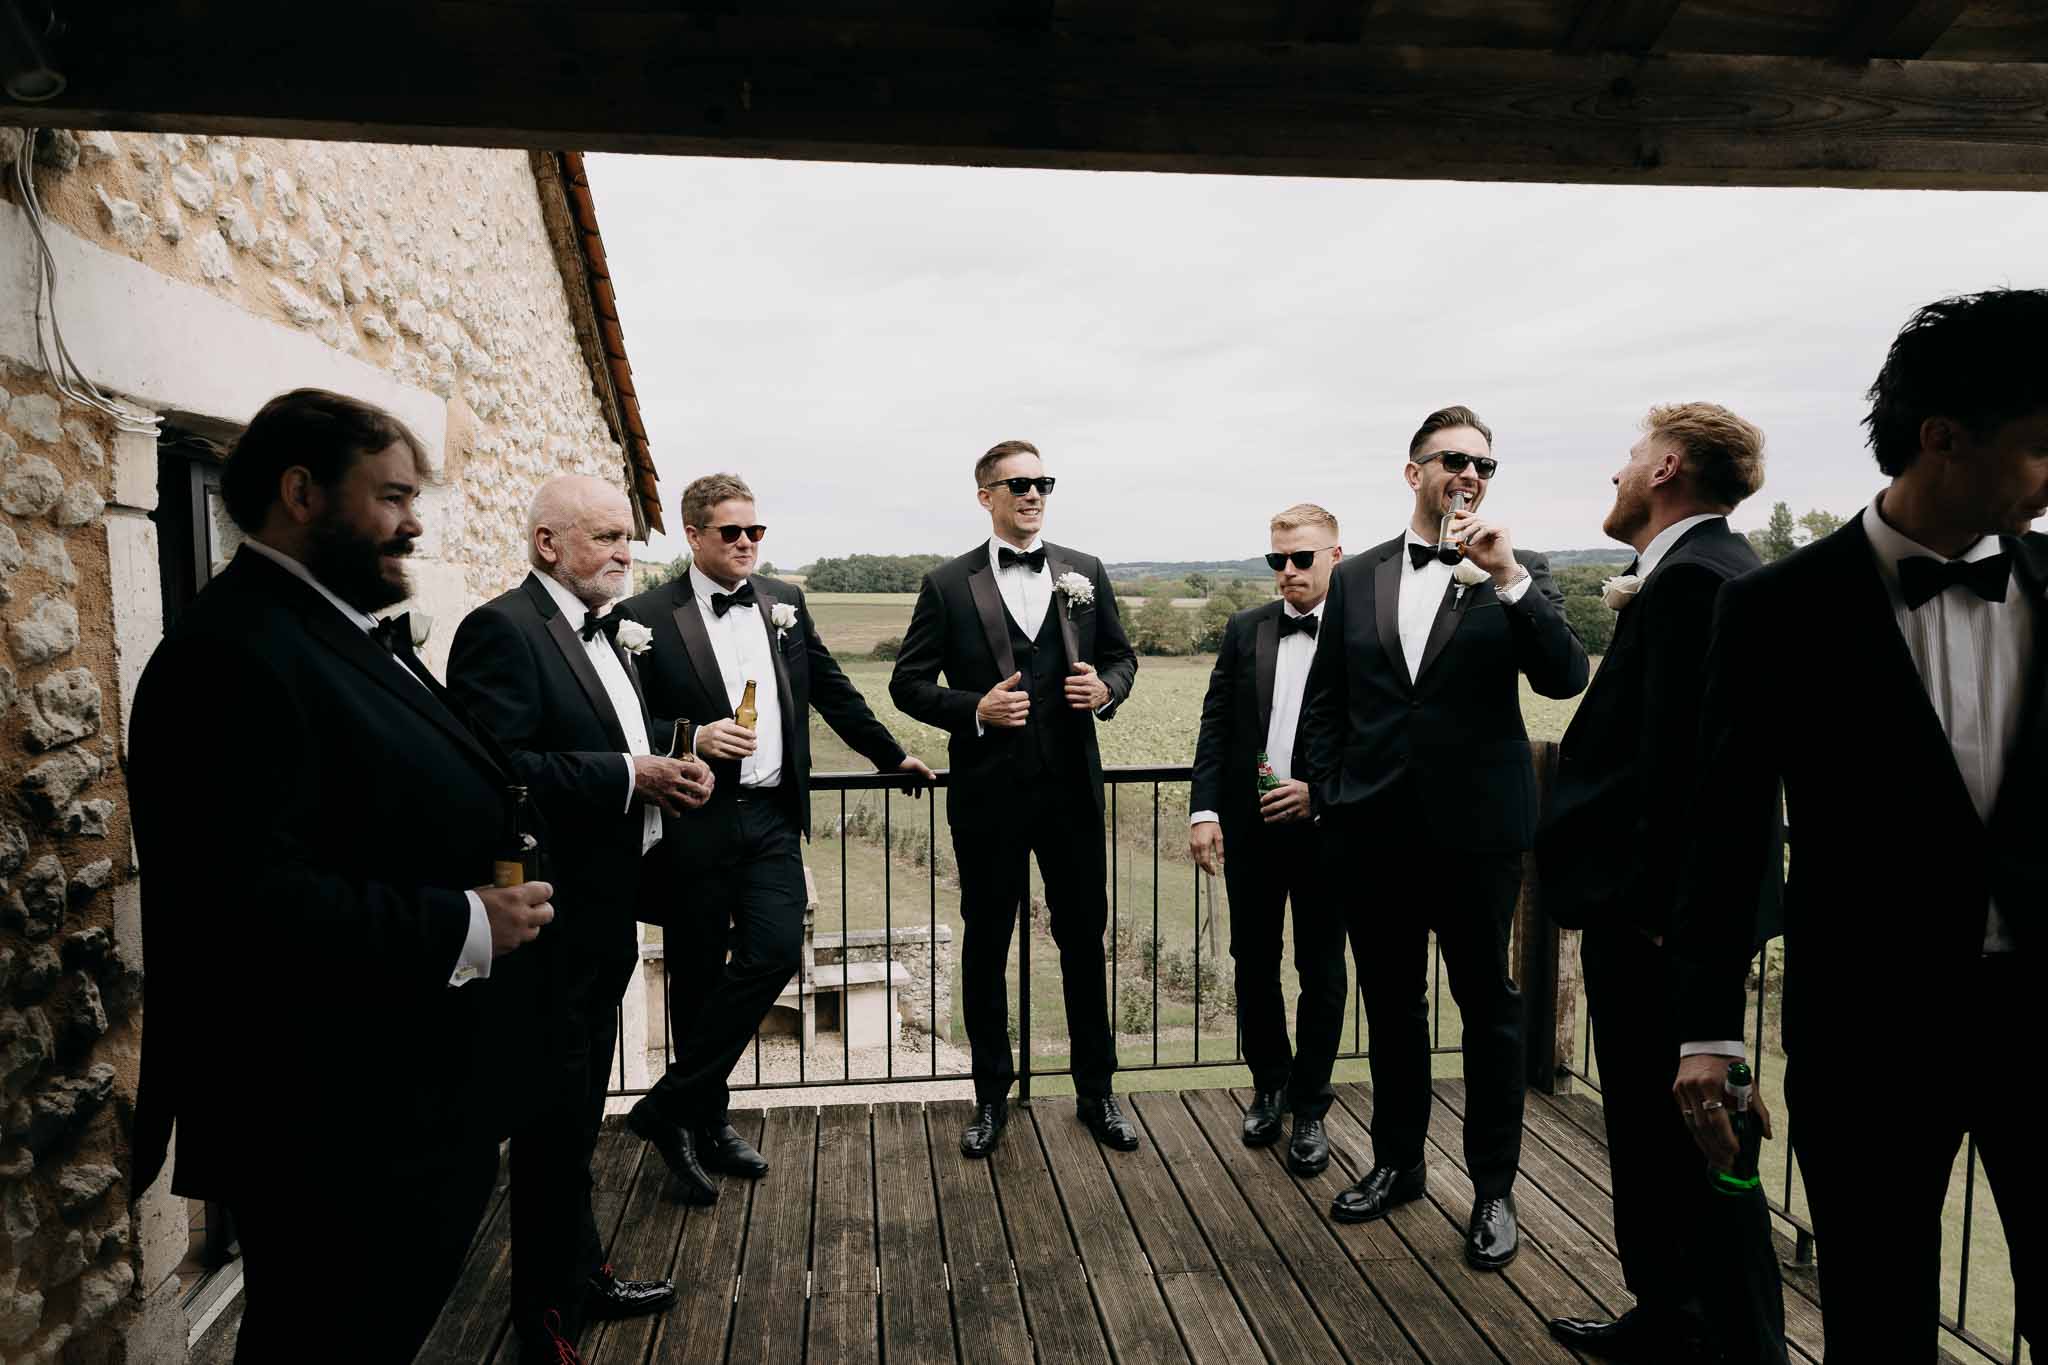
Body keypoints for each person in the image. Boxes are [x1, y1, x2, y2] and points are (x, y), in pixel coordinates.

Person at [126, 389, 557, 1362]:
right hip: (329, 1112)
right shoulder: (227, 656)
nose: (414, 523)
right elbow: (239, 902)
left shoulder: (339, 627)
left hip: (402, 1097)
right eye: (394, 496)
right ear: (301, 492)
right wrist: (464, 922)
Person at [1670, 290, 2047, 1359]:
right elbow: (1724, 824)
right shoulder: (1774, 606)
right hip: (1868, 1029)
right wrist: (1704, 1029)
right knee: (1876, 1322)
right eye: (2037, 450)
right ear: (1941, 440)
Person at [1300, 405, 1588, 1269]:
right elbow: (1327, 699)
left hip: (1477, 836)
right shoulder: (1357, 578)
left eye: (1485, 466)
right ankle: (1398, 1162)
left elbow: (1565, 676)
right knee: (1391, 1006)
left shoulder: (1518, 572)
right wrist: (1329, 792)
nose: (1470, 475)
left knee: (1489, 1012)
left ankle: (1494, 1190)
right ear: (1413, 470)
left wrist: (1504, 576)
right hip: (1374, 832)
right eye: (1454, 460)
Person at [1534, 405, 1787, 1363]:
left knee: (1694, 1152)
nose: (1617, 471)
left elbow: (1700, 788)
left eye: (1632, 457)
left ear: (1668, 467)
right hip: (1661, 924)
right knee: (1658, 1149)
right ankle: (1669, 1318)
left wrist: (1649, 922)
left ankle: (1728, 1341)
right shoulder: (1706, 572)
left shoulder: (1695, 584)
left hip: (1660, 932)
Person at [446, 475, 715, 1359]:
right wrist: (629, 776)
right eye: (603, 536)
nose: (622, 553)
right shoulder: (501, 630)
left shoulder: (606, 631)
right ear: (547, 544)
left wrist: (674, 758)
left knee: (579, 1112)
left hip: (607, 909)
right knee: (549, 1122)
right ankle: (543, 1319)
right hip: (548, 919)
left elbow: (606, 725)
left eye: (627, 539)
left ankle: (583, 1272)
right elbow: (502, 770)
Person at [616, 473, 934, 1198]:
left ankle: (668, 1104)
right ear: (693, 536)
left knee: (771, 949)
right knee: (695, 971)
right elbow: (624, 721)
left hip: (769, 818)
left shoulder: (784, 605)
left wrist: (891, 755)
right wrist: (691, 735)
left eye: (755, 531)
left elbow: (830, 688)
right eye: (731, 532)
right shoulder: (642, 615)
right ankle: (704, 1122)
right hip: (694, 816)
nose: (747, 543)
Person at [889, 440, 1140, 1158]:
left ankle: (1097, 1092)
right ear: (986, 496)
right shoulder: (946, 583)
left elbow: (1121, 656)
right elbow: (907, 682)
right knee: (986, 943)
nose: (1033, 494)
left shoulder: (1083, 572)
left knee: (1083, 941)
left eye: (1042, 482)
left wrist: (1107, 690)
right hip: (988, 797)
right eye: (1018, 484)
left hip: (1070, 793)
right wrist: (975, 708)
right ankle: (991, 1099)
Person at [1188, 503, 1349, 1176]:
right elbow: (1217, 721)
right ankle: (1270, 1085)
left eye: (1301, 558)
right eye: (1276, 560)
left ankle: (1312, 1105)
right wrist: (1203, 810)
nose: (1287, 572)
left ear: (1336, 555)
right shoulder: (1245, 628)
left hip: (1327, 830)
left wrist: (1321, 792)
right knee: (1253, 959)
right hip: (1251, 832)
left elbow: (1383, 737)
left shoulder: (1362, 633)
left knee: (1321, 968)